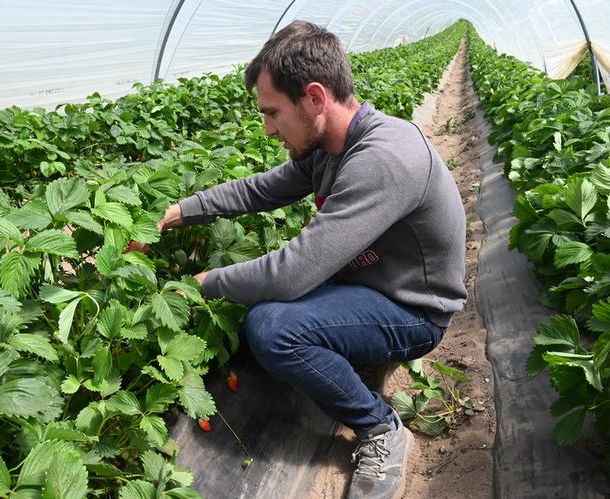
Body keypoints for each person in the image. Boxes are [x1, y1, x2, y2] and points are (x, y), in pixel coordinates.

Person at [155, 20, 466, 499]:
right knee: (264, 300)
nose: (267, 128)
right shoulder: (329, 145)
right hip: (367, 285)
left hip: (412, 311)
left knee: (272, 328)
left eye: (273, 113)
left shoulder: (383, 157)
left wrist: (206, 282)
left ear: (315, 99)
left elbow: (295, 270)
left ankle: (381, 428)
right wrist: (184, 211)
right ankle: (348, 359)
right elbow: (262, 189)